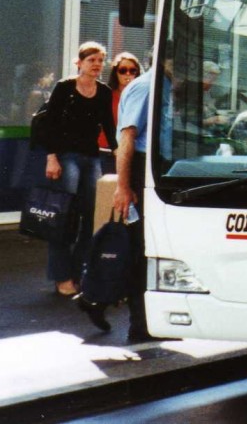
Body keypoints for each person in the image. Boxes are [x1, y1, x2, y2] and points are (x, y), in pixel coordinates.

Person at [42, 41, 117, 297]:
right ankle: (61, 276)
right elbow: (49, 123)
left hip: (91, 158)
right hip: (66, 157)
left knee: (90, 218)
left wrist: (119, 151)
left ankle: (77, 274)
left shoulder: (104, 92)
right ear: (80, 63)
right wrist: (52, 157)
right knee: (64, 217)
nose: (96, 65)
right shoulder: (65, 87)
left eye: (100, 61)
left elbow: (108, 125)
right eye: (91, 60)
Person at [92, 63, 158, 343]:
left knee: (139, 247)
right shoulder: (145, 88)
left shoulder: (162, 86)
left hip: (150, 169)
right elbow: (127, 138)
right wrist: (123, 186)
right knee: (138, 249)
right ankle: (139, 325)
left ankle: (95, 300)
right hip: (140, 170)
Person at [98, 52, 142, 173]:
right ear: (115, 72)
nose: (127, 74)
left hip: (132, 151)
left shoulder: (141, 95)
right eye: (123, 70)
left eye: (132, 70)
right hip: (106, 151)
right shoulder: (107, 94)